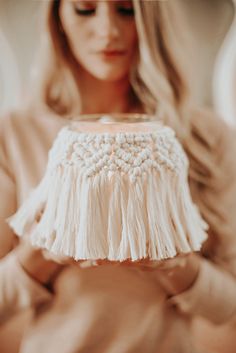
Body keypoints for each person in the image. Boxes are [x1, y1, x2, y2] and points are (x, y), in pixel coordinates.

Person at [0, 1, 236, 352]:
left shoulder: (204, 136)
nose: (108, 31)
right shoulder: (15, 134)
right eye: (84, 9)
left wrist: (173, 263)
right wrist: (41, 251)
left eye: (126, 10)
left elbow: (228, 307)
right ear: (58, 19)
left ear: (151, 21)